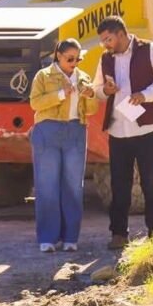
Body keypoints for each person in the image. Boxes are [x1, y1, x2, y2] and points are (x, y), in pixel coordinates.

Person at [92, 16, 153, 250]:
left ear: (121, 34)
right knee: (119, 185)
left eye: (108, 39)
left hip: (148, 129)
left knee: (151, 182)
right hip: (119, 130)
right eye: (102, 41)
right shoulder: (105, 59)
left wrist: (144, 95)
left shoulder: (150, 50)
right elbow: (97, 89)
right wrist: (105, 90)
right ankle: (119, 234)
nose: (106, 45)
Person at [28, 38, 98, 253]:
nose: (74, 63)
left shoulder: (83, 78)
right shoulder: (43, 76)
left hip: (76, 131)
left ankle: (70, 238)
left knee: (73, 186)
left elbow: (92, 109)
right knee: (47, 185)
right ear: (58, 55)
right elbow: (35, 103)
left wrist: (91, 94)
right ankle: (47, 238)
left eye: (78, 59)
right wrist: (61, 94)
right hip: (48, 130)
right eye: (70, 58)